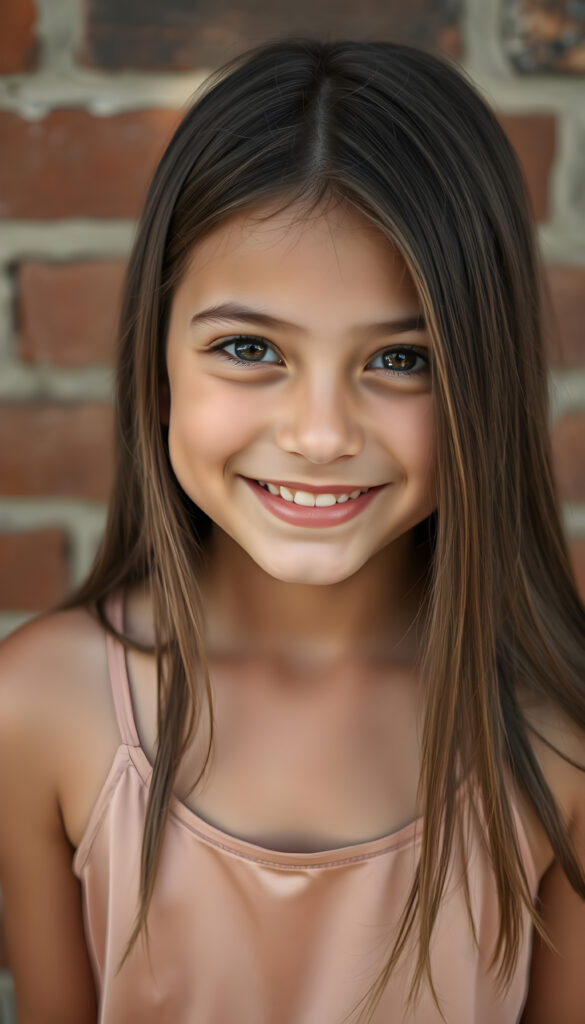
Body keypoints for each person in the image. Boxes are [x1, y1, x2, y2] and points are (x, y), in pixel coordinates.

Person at [0, 37, 584, 1024]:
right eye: (249, 348)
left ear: (487, 382)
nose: (320, 434)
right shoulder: (41, 708)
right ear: (157, 365)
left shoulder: (558, 730)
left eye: (402, 360)